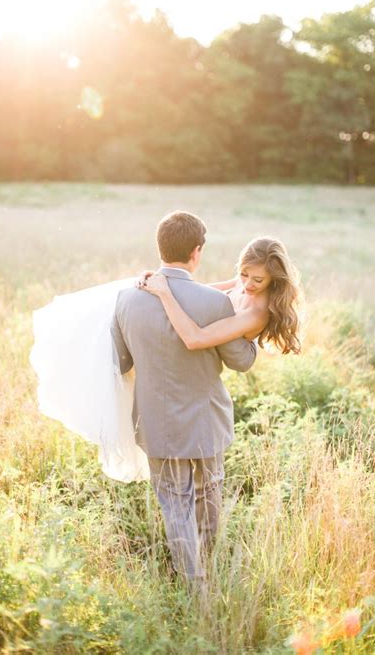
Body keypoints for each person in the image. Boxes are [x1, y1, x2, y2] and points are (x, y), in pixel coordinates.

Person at [110, 210, 257, 583]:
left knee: (174, 505)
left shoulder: (126, 300)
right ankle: (208, 566)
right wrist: (252, 331)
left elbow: (121, 361)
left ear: (159, 247)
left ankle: (194, 585)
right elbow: (241, 361)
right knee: (209, 496)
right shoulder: (214, 303)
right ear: (197, 251)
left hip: (157, 424)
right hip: (206, 421)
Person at [138, 235, 302, 356]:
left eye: (258, 280)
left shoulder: (256, 314)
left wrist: (164, 292)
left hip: (224, 351)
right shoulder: (244, 280)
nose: (247, 284)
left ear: (273, 278)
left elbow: (194, 339)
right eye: (244, 274)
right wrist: (163, 278)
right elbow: (200, 291)